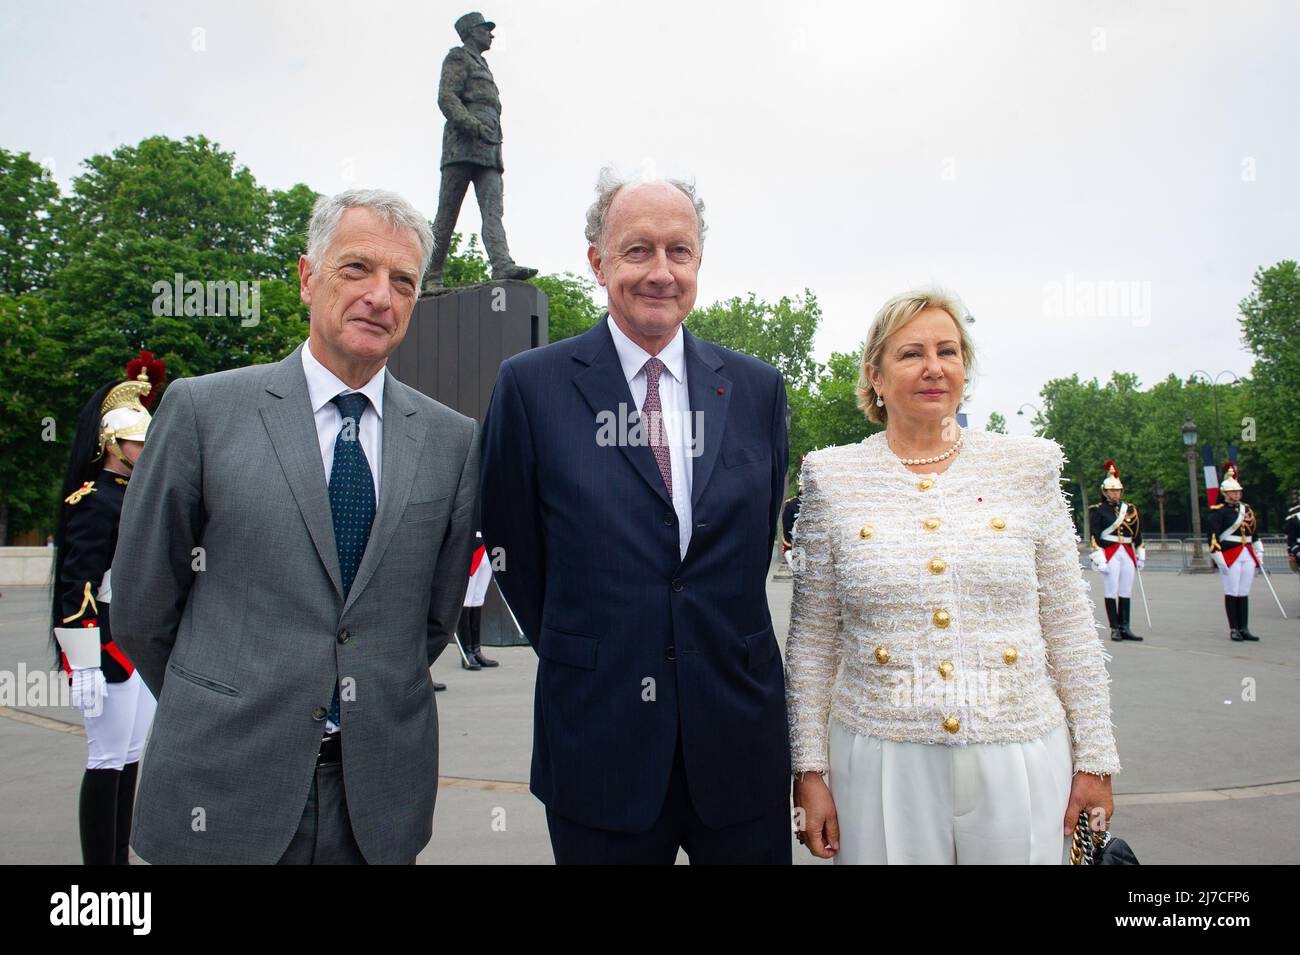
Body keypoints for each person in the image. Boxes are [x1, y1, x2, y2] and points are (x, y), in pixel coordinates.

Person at [111, 189, 480, 864]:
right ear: (308, 277)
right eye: (357, 269)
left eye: (403, 281)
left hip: (376, 799)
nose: (380, 296)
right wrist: (226, 695)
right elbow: (140, 604)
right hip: (221, 786)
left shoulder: (453, 442)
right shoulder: (202, 412)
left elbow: (433, 617)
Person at [480, 171, 792, 864]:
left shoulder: (756, 390)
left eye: (678, 251)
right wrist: (592, 643)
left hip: (739, 739)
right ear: (597, 262)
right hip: (599, 737)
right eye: (637, 250)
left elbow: (749, 542)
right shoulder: (531, 388)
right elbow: (512, 548)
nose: (660, 271)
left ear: (699, 262)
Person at [786, 289, 1121, 865]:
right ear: (875, 376)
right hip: (880, 754)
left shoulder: (1029, 466)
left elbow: (1068, 623)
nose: (934, 367)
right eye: (911, 353)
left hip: (1018, 746)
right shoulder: (830, 477)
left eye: (949, 350)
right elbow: (813, 642)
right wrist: (808, 771)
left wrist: (1094, 758)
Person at [51, 353, 164, 864]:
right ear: (112, 444)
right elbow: (79, 584)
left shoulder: (134, 493)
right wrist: (84, 660)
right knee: (106, 760)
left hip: (136, 641)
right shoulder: (93, 499)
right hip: (105, 644)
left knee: (132, 757)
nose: (147, 448)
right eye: (139, 441)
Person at [424, 12, 536, 291]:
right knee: (447, 215)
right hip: (461, 147)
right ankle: (431, 276)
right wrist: (472, 125)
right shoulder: (458, 57)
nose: (491, 34)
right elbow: (446, 97)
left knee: (493, 211)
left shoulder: (483, 65)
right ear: (472, 32)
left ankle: (502, 264)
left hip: (489, 148)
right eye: (486, 30)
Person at [1088, 460, 1145, 641]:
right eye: (1112, 490)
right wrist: (1099, 558)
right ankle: (1114, 627)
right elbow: (1094, 535)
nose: (1115, 493)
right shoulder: (1097, 510)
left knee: (1126, 590)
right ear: (1105, 492)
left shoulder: (1130, 509)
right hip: (1110, 552)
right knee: (1111, 590)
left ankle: (1125, 626)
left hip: (1127, 551)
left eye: (1118, 490)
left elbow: (1137, 533)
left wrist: (1140, 552)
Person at [1206, 462, 1262, 642]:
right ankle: (1234, 629)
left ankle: (1244, 627)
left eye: (1239, 492)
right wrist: (1219, 558)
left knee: (1243, 592)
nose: (1237, 494)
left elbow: (1254, 533)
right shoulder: (1219, 512)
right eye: (1234, 492)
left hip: (1247, 553)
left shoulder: (1246, 509)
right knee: (1232, 591)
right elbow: (1213, 536)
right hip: (1230, 554)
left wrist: (1259, 551)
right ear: (1225, 493)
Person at [458, 530, 498, 670]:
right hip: (471, 544)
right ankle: (466, 652)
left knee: (478, 598)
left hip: (489, 546)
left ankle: (476, 650)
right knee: (466, 600)